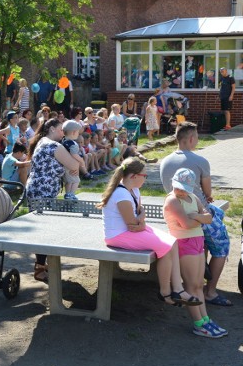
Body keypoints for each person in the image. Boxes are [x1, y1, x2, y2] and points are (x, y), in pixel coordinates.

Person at [98, 158, 201, 309]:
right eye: (144, 176)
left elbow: (139, 214)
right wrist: (141, 220)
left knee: (172, 241)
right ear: (133, 176)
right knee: (165, 247)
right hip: (117, 236)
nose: (145, 179)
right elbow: (133, 224)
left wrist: (141, 219)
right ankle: (165, 292)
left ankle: (178, 289)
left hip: (130, 231)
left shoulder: (134, 190)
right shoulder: (121, 195)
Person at [160, 121, 232, 306]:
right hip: (197, 214)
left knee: (203, 243)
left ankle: (198, 276)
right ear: (191, 138)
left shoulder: (165, 161)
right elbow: (207, 193)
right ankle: (211, 291)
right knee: (222, 246)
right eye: (197, 137)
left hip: (174, 214)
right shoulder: (200, 161)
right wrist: (207, 198)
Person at [162, 169, 227, 338]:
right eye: (178, 188)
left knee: (199, 284)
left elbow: (209, 218)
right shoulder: (172, 200)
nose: (181, 191)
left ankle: (205, 319)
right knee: (191, 285)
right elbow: (186, 224)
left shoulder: (194, 198)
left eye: (184, 189)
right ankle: (198, 324)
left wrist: (196, 216)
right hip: (184, 243)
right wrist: (199, 217)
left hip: (197, 241)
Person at [25, 118, 79, 282]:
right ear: (53, 129)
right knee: (45, 232)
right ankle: (40, 268)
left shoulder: (42, 140)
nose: (63, 133)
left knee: (42, 231)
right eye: (61, 130)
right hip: (44, 192)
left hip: (36, 189)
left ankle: (41, 265)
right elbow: (74, 166)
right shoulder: (55, 146)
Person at [61, 120, 84, 200]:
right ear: (74, 132)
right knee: (76, 180)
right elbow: (74, 154)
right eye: (78, 132)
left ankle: (67, 194)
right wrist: (81, 161)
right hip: (71, 165)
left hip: (64, 164)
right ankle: (72, 194)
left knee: (68, 181)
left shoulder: (63, 141)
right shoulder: (73, 144)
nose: (78, 134)